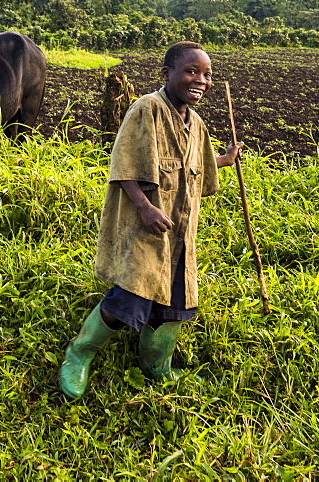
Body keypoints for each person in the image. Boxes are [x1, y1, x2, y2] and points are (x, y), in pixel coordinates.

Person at [58, 41, 243, 400]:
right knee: (129, 296)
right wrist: (144, 207)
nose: (201, 80)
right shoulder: (147, 109)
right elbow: (124, 165)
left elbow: (199, 167)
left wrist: (227, 158)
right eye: (191, 71)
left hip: (180, 231)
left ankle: (156, 366)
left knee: (174, 303)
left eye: (207, 75)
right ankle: (79, 354)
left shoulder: (196, 123)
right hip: (145, 226)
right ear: (167, 74)